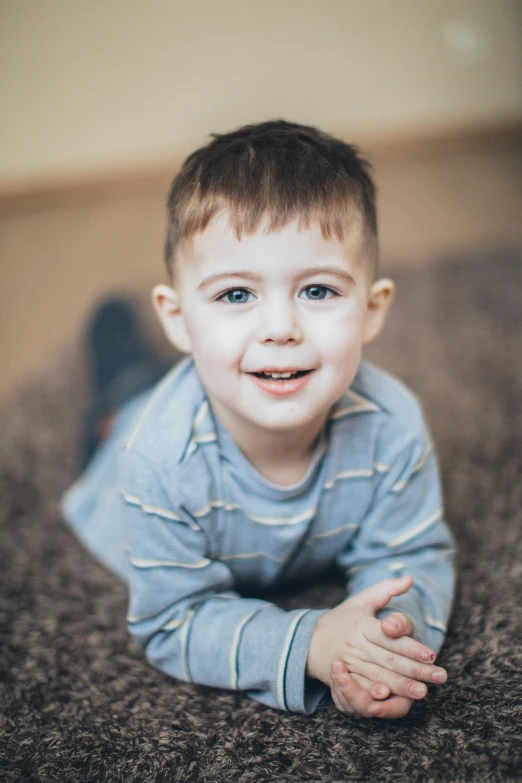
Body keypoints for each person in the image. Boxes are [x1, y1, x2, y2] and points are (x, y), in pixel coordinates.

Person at [62, 120, 456, 719]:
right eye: (236, 295)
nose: (280, 328)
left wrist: (381, 652)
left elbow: (414, 555)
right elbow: (174, 620)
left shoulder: (392, 425)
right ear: (178, 317)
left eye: (318, 291)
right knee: (120, 390)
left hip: (213, 384)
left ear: (373, 311)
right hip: (123, 434)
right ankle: (110, 323)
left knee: (160, 378)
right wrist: (311, 643)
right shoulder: (157, 459)